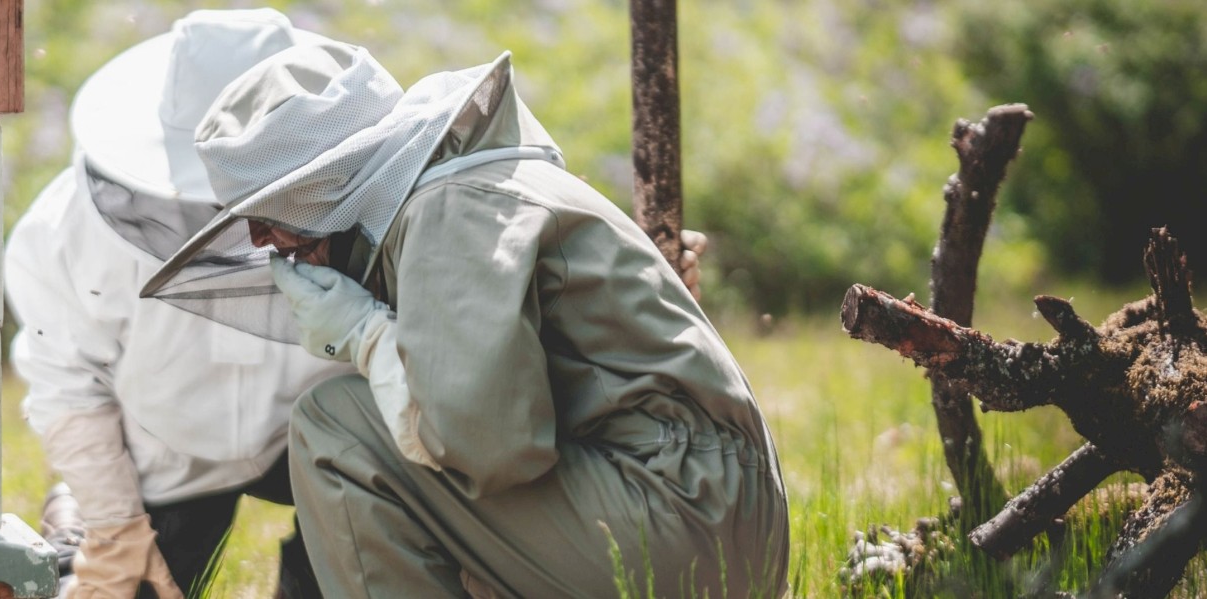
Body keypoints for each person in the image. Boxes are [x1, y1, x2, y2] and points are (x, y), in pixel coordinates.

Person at [141, 42, 788, 597]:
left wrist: (368, 338)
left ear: (325, 180)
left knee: (334, 426)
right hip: (698, 505)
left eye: (268, 211)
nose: (259, 240)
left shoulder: (446, 208)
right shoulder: (452, 195)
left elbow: (489, 449)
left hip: (682, 515)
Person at [4, 9, 354, 599]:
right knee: (111, 586)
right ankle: (81, 519)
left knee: (367, 551)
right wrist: (116, 527)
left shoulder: (374, 203)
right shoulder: (64, 230)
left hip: (330, 444)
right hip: (163, 449)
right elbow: (69, 384)